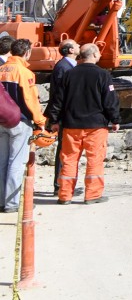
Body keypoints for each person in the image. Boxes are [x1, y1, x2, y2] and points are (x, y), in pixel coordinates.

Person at [46, 43, 120, 204]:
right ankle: (92, 195)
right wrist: (115, 119)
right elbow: (110, 100)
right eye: (99, 52)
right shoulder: (103, 75)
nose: (100, 55)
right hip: (96, 126)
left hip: (71, 125)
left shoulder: (69, 74)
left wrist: (54, 120)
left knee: (69, 160)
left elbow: (57, 100)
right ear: (93, 55)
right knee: (95, 160)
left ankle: (64, 195)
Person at [0, 39, 49, 212]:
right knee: (16, 162)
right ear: (27, 52)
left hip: (2, 122)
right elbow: (30, 100)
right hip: (20, 122)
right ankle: (12, 203)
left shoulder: (1, 69)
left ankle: (1, 201)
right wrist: (40, 121)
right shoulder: (24, 72)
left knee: (2, 161)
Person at [45, 40, 79, 192]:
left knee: (68, 150)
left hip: (67, 115)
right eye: (77, 45)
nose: (79, 46)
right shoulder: (63, 68)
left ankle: (64, 184)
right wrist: (55, 118)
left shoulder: (68, 66)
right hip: (64, 116)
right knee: (64, 150)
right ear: (71, 50)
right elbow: (58, 95)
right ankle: (60, 185)